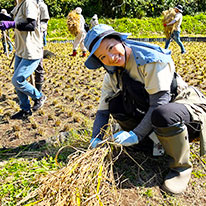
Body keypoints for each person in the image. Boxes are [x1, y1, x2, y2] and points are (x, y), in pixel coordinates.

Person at [84, 24, 206, 194]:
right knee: (116, 104)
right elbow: (103, 111)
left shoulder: (150, 59)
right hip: (154, 110)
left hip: (183, 107)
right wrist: (95, 138)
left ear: (120, 41)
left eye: (111, 48)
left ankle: (181, 168)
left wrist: (136, 134)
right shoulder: (111, 75)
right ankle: (148, 144)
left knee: (163, 115)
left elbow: (159, 103)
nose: (111, 57)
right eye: (103, 57)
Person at [0, 0, 46, 119]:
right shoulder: (19, 3)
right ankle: (25, 109)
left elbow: (31, 25)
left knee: (18, 80)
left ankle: (39, 97)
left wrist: (12, 25)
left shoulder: (29, 3)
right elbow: (13, 19)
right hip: (21, 51)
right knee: (17, 83)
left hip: (31, 51)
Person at [34, 0, 50, 93]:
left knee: (38, 66)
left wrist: (36, 31)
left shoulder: (42, 6)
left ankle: (38, 92)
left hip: (37, 38)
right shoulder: (26, 3)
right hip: (26, 40)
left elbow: (44, 23)